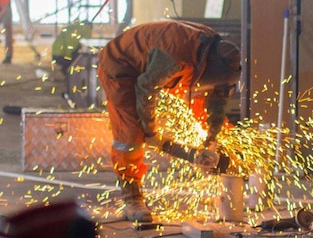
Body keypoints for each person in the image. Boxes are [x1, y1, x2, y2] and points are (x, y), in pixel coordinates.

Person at [97, 20, 242, 222]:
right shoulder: (174, 56)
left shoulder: (216, 53)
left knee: (202, 111)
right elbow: (145, 90)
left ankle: (227, 161)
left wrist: (212, 138)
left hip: (160, 68)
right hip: (121, 66)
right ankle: (132, 198)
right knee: (130, 134)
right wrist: (150, 133)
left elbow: (217, 100)